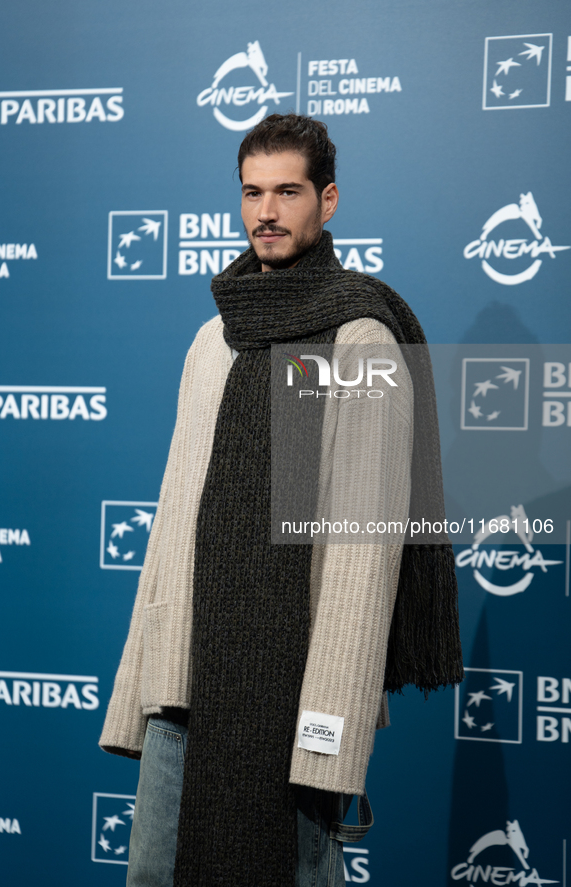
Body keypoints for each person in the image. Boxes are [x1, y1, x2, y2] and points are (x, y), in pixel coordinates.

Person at [99, 113, 463, 887]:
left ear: (326, 201)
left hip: (287, 698)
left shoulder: (353, 340)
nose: (266, 211)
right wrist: (139, 687)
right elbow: (175, 525)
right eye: (252, 192)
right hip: (182, 686)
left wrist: (325, 735)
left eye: (287, 191)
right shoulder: (214, 338)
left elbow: (358, 558)